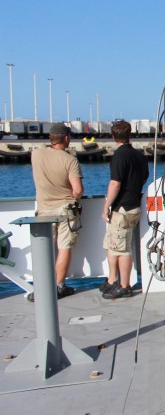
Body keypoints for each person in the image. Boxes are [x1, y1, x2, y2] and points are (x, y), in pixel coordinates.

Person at [31, 122, 84, 299]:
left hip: (44, 208)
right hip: (65, 209)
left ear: (50, 138)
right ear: (67, 138)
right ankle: (58, 286)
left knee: (45, 249)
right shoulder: (70, 160)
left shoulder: (36, 155)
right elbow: (77, 190)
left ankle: (43, 286)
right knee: (64, 247)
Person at [100, 120, 149, 299]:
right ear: (130, 134)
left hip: (122, 208)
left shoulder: (119, 156)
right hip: (134, 204)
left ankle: (125, 285)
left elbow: (115, 183)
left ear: (113, 136)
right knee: (111, 244)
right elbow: (144, 179)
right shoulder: (139, 156)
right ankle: (113, 279)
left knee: (122, 249)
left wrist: (106, 207)